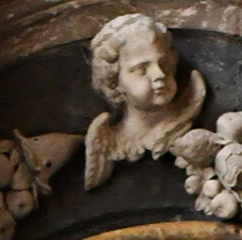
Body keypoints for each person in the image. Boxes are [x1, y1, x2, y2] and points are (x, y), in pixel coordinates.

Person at [84, 15, 206, 189]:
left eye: (164, 64)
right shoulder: (113, 140)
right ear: (115, 82)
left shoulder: (184, 116)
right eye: (141, 69)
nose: (159, 74)